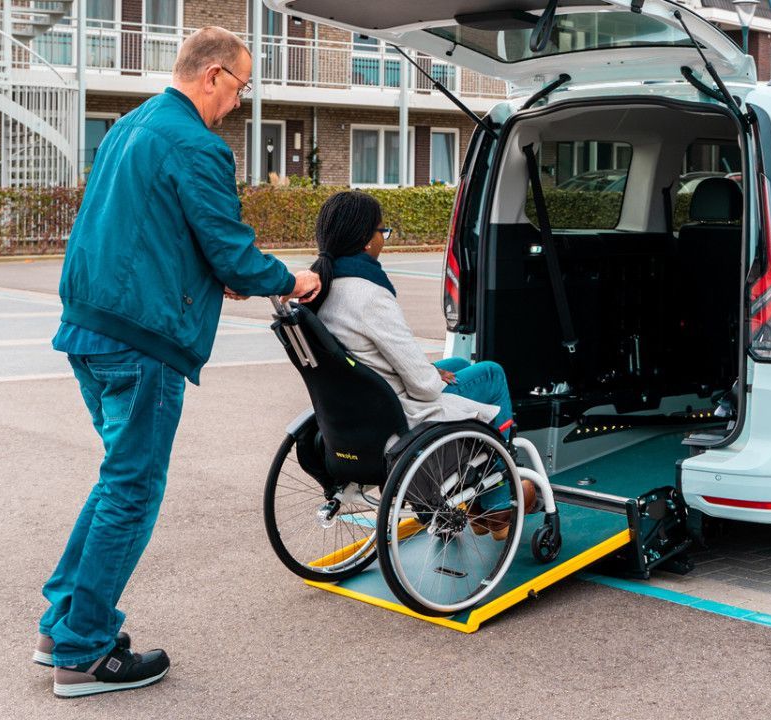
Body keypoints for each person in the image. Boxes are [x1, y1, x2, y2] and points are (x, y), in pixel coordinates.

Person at [38, 26, 321, 699]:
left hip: (89, 328)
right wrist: (292, 280)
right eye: (241, 87)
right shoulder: (196, 144)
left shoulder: (130, 127)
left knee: (117, 482)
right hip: (144, 341)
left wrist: (204, 268)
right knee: (132, 490)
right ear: (214, 75)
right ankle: (83, 652)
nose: (239, 104)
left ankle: (64, 622)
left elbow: (142, 226)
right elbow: (232, 251)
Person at [302, 191, 536, 537]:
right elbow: (424, 388)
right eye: (384, 231)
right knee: (491, 373)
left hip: (352, 409)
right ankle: (498, 504)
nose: (384, 238)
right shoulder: (368, 295)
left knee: (454, 363)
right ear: (367, 241)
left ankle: (478, 498)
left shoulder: (319, 288)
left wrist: (431, 370)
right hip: (396, 412)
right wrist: (429, 375)